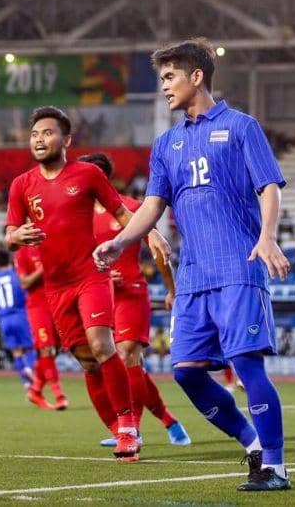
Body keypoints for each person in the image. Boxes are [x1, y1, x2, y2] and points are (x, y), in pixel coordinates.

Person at [92, 38, 292, 491]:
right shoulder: (165, 144)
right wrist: (122, 241)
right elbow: (152, 205)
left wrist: (267, 236)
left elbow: (270, 186)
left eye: (169, 77)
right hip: (194, 276)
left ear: (196, 76)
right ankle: (252, 444)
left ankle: (275, 467)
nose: (163, 86)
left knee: (246, 364)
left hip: (239, 267)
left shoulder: (242, 127)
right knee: (184, 372)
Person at [5, 106, 164, 463]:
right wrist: (17, 235)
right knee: (86, 360)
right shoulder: (21, 186)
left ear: (66, 139)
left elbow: (122, 213)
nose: (40, 139)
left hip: (90, 274)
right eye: (34, 135)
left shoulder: (88, 174)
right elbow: (8, 236)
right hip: (56, 285)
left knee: (101, 344)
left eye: (47, 133)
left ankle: (128, 426)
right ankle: (117, 430)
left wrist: (149, 233)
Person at [80, 152, 191, 449]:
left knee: (128, 353)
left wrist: (172, 289)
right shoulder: (79, 215)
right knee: (126, 367)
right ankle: (168, 419)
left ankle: (132, 431)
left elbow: (158, 250)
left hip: (130, 293)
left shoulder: (130, 209)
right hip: (97, 296)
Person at [14, 245, 68, 410]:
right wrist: (43, 269)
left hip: (58, 302)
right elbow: (24, 282)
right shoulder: (23, 251)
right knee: (46, 349)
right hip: (38, 306)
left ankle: (35, 390)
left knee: (56, 349)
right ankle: (59, 395)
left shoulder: (52, 245)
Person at [0, 250, 37, 395]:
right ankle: (29, 368)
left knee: (16, 352)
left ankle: (27, 385)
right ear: (10, 260)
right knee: (29, 347)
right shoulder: (16, 276)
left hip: (4, 319)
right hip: (19, 315)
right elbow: (27, 296)